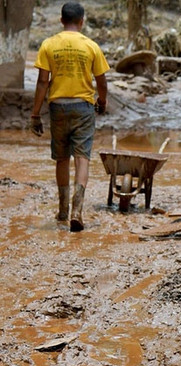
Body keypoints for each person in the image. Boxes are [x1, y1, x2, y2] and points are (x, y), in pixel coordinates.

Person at [31, 2, 110, 232]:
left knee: (62, 158)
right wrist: (102, 102)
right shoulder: (91, 46)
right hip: (83, 107)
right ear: (82, 21)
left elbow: (42, 82)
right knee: (82, 158)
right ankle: (78, 210)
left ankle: (63, 210)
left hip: (58, 108)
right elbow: (102, 81)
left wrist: (35, 114)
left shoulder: (49, 44)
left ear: (61, 20)